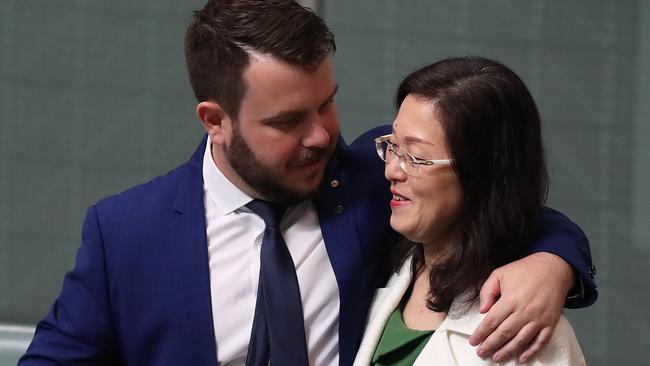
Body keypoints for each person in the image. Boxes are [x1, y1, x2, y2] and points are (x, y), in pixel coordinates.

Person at [19, 1, 596, 365]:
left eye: (327, 105)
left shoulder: (373, 176)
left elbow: (492, 194)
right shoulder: (125, 232)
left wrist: (553, 263)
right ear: (216, 121)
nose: (321, 136)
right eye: (288, 121)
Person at [353, 57, 587, 365]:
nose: (391, 171)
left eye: (416, 157)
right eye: (393, 146)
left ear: (482, 174)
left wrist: (555, 265)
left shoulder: (526, 333)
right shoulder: (386, 261)